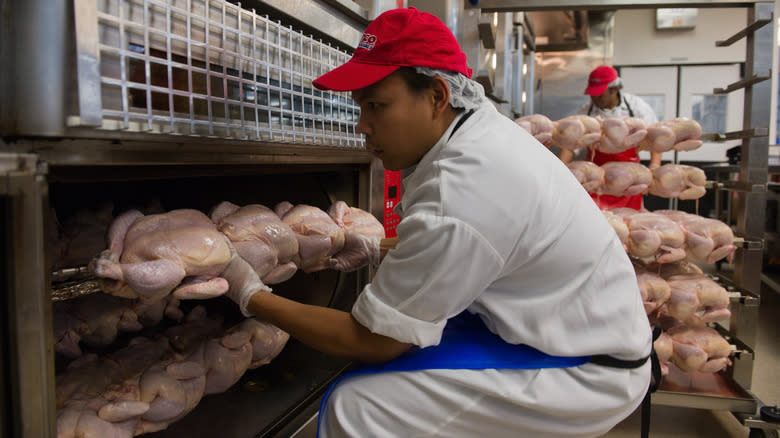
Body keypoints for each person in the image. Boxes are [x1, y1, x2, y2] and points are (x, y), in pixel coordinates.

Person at [222, 8, 652, 438]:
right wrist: (378, 248)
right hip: (562, 330)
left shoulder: (465, 186)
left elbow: (372, 341)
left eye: (376, 106)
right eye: (360, 107)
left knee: (358, 406)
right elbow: (486, 247)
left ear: (437, 96)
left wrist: (250, 294)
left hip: (585, 370)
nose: (362, 127)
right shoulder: (478, 136)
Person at [559, 65, 663, 210]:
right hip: (596, 179)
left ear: (614, 89)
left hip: (629, 177)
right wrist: (559, 169)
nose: (595, 99)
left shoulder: (637, 108)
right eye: (592, 94)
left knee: (628, 223)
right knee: (595, 219)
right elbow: (571, 146)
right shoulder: (587, 112)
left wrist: (654, 167)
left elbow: (655, 140)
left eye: (600, 94)